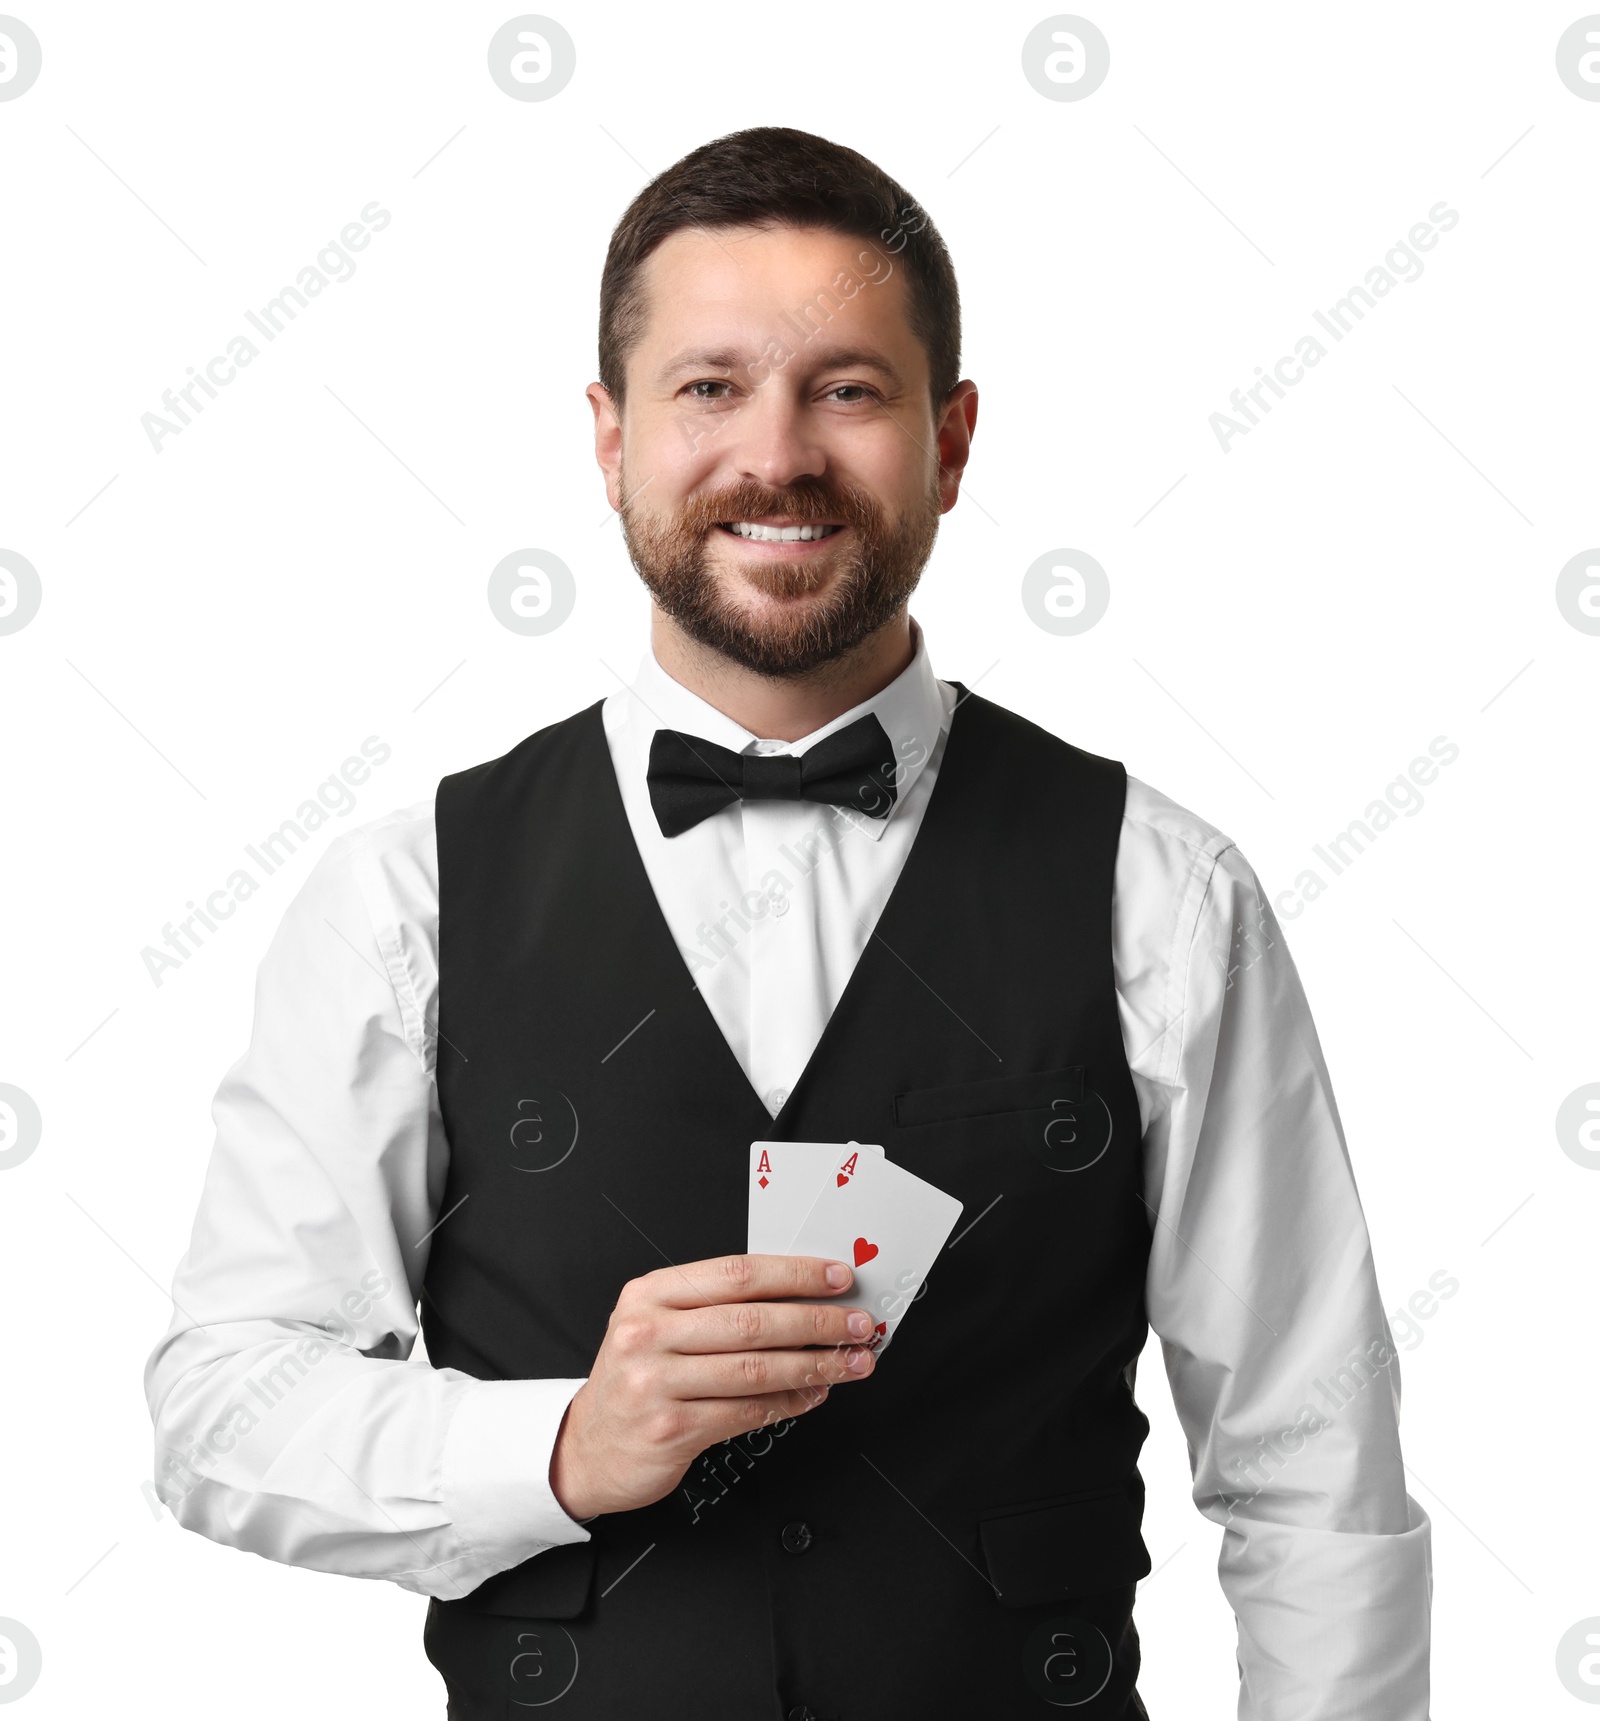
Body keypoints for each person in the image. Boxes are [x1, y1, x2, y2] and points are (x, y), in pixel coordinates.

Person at [146, 127, 1432, 1718]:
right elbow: (221, 1407)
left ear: (951, 443)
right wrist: (558, 1444)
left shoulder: (1157, 889)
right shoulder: (402, 895)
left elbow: (1317, 1470)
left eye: (849, 388)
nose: (779, 454)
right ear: (607, 441)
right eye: (707, 389)